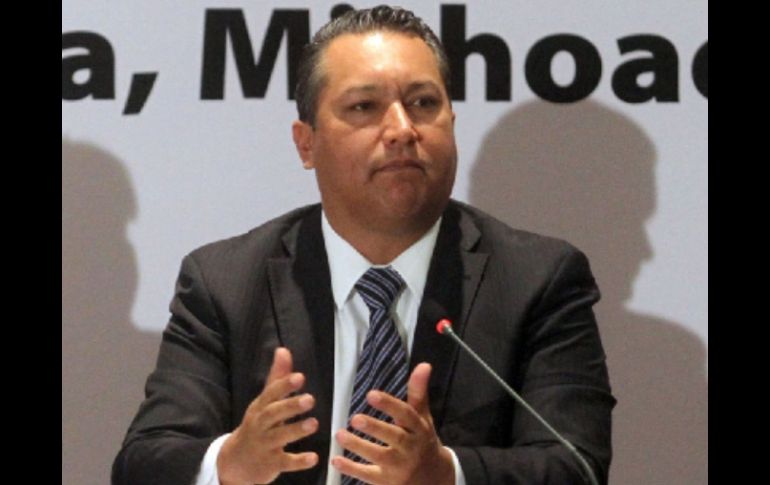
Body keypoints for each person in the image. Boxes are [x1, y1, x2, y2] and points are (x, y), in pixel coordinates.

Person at [112, 5, 615, 485]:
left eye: (424, 103)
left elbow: (578, 467)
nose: (402, 129)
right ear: (306, 143)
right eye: (364, 107)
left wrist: (447, 476)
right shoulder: (225, 283)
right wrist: (231, 463)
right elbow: (142, 463)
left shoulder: (536, 281)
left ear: (452, 123)